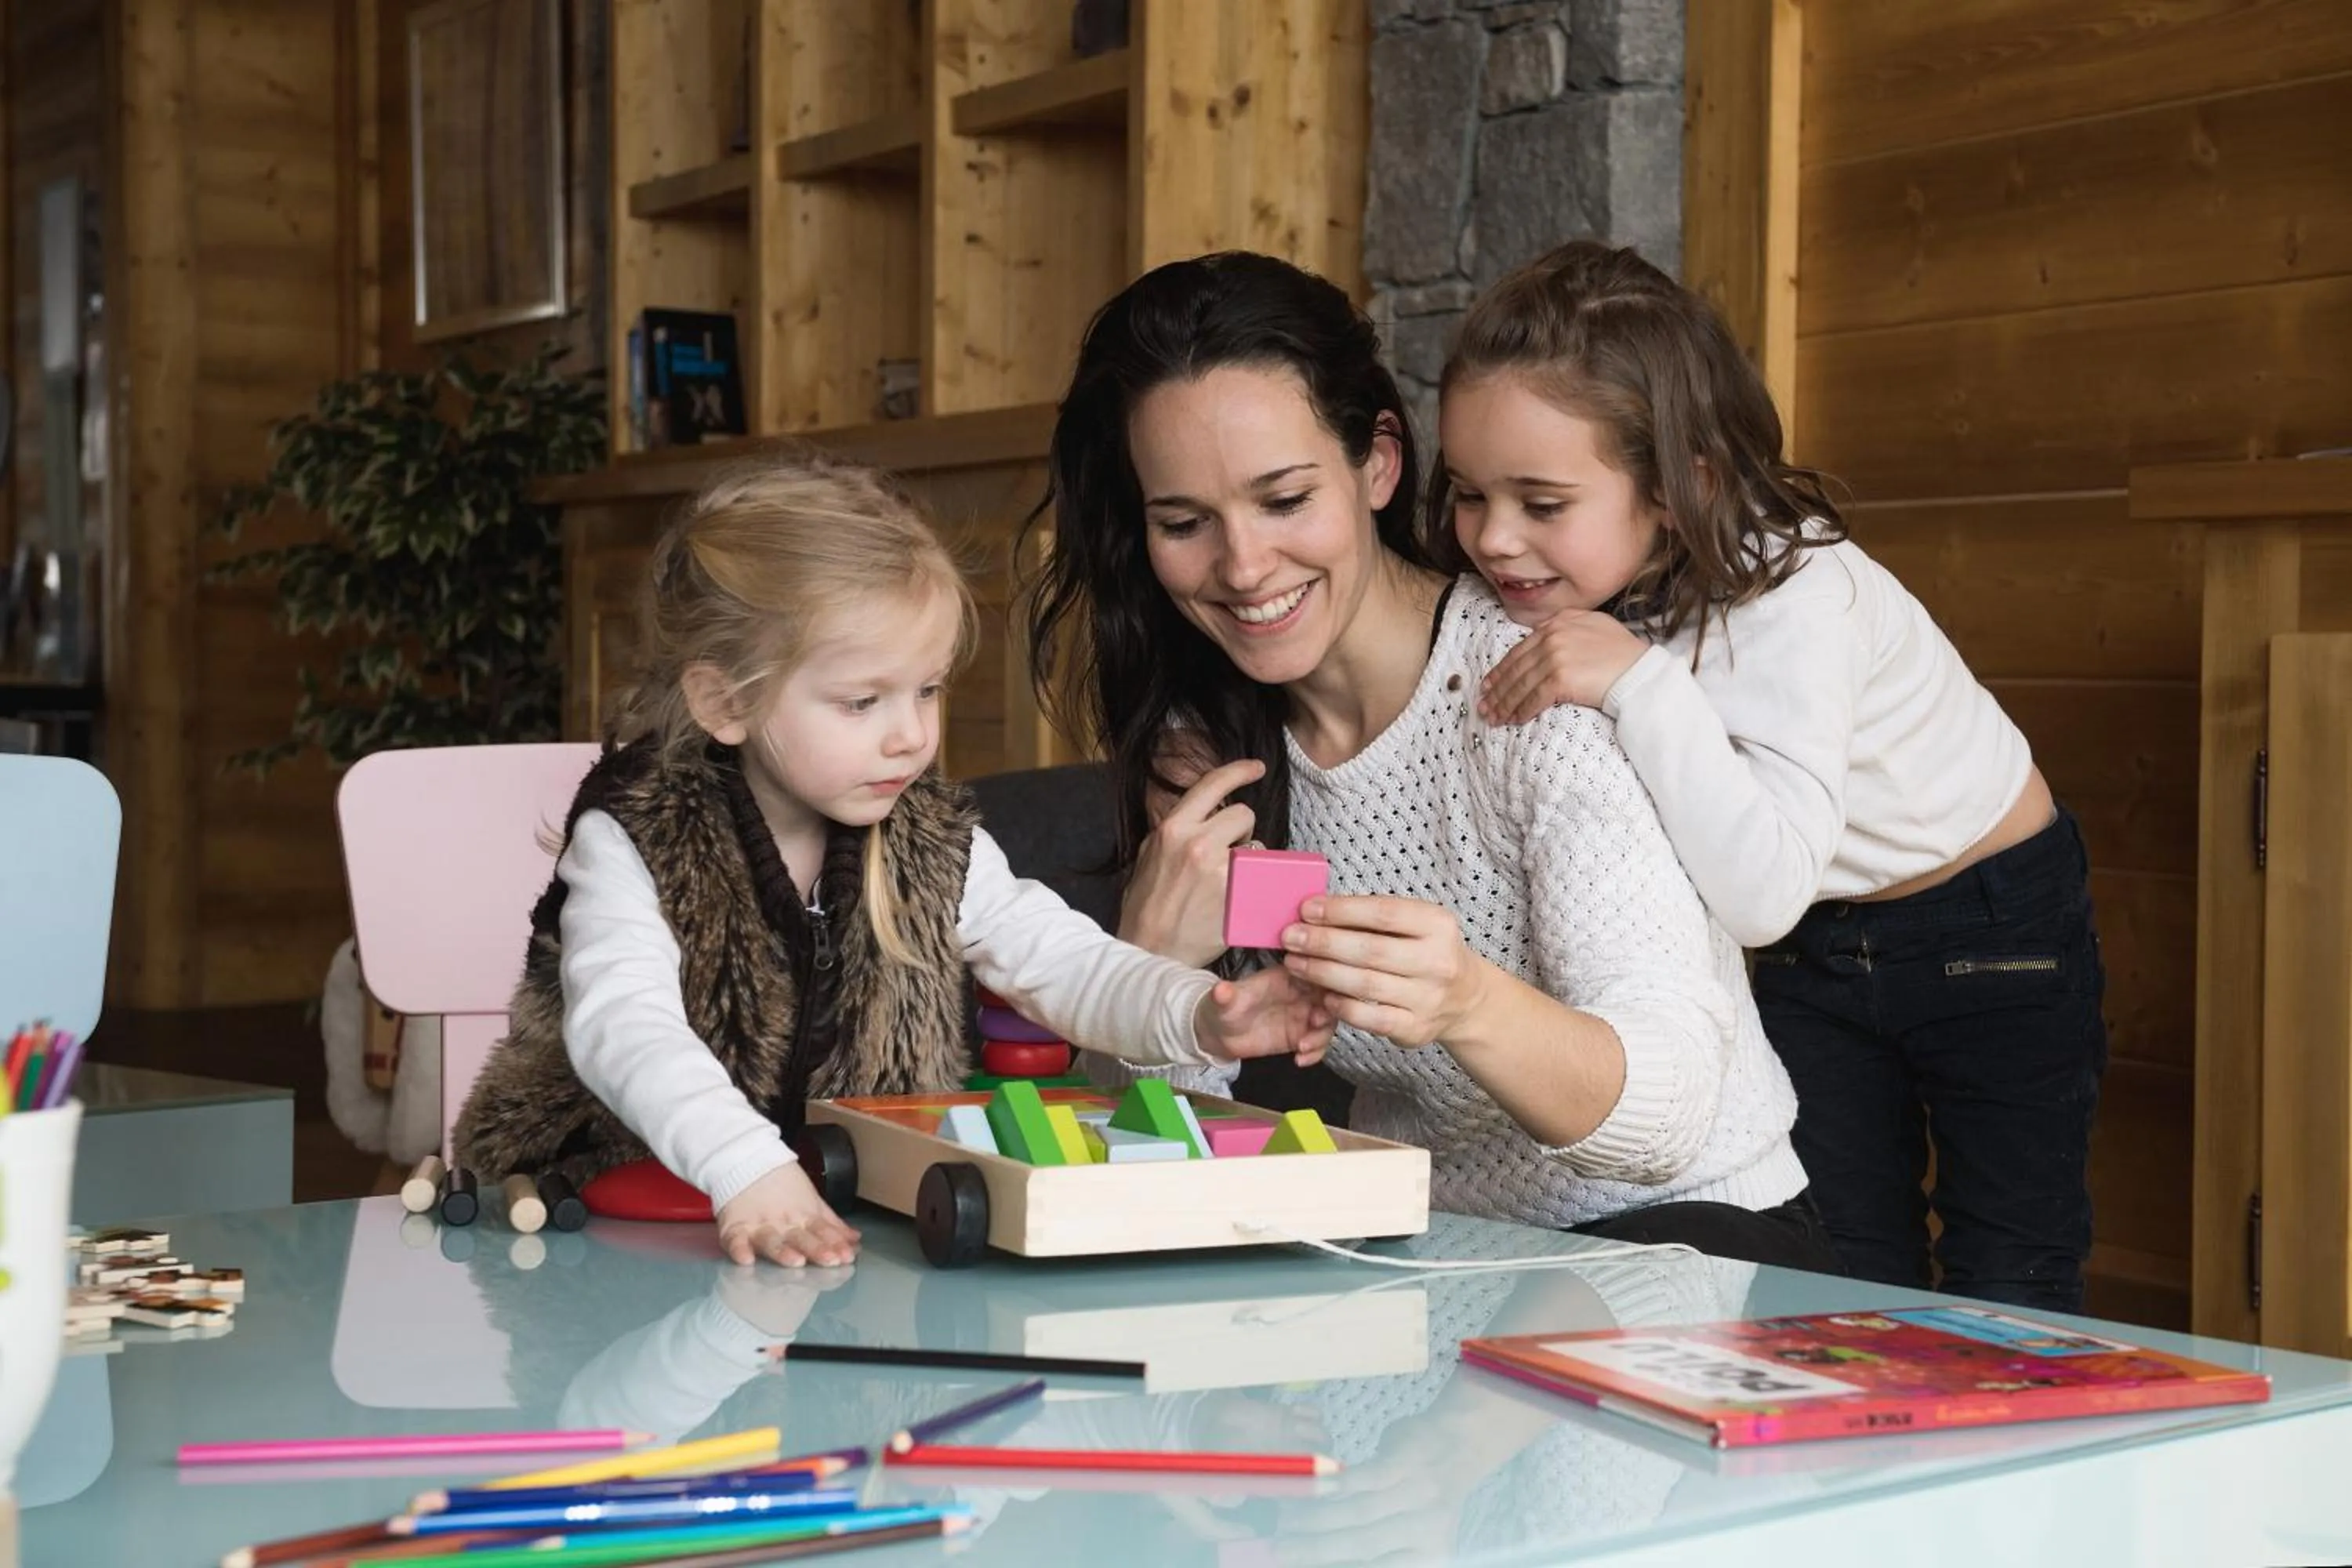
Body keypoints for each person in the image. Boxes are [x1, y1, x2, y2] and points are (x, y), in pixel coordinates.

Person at [1024, 251, 1835, 1272]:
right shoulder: (1208, 749)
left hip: (1688, 1235)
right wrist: (1145, 971)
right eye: (1184, 523)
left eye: (1285, 500)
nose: (1243, 566)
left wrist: (1468, 1001)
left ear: (1378, 463)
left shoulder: (1538, 697)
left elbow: (1667, 1117)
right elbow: (1147, 1164)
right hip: (1442, 1250)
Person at [1436, 241, 2107, 1311]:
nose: (1494, 539)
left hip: (1985, 929)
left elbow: (1759, 892)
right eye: (1469, 493)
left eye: (1542, 503)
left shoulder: (1796, 592)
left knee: (2009, 1274)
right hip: (1816, 947)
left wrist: (1639, 683)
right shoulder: (1595, 581)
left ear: (1684, 485)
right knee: (1844, 1279)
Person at [455, 454, 1334, 1267]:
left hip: (843, 1213)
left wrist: (1200, 1014)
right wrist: (749, 1168)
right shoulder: (635, 834)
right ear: (725, 702)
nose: (911, 735)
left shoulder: (931, 836)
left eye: (928, 689)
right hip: (588, 1213)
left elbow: (1066, 961)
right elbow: (624, 1026)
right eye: (861, 701)